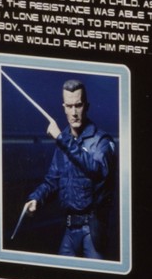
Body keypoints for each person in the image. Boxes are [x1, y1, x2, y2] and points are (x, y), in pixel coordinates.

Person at [22, 79, 115, 259]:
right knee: (61, 274)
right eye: (69, 106)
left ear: (86, 106)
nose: (74, 113)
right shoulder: (63, 140)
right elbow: (53, 180)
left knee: (97, 275)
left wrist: (61, 139)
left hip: (93, 231)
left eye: (78, 105)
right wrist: (36, 198)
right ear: (64, 107)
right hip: (70, 229)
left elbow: (97, 171)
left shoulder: (101, 141)